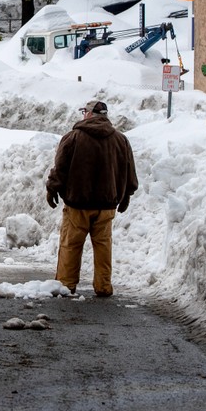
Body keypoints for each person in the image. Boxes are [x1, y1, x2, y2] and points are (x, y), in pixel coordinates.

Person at [46, 99, 138, 297]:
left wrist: (52, 189)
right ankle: (103, 286)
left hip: (78, 203)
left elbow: (60, 167)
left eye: (84, 112)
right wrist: (127, 195)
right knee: (103, 245)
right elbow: (129, 169)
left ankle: (67, 284)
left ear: (88, 114)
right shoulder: (120, 140)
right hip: (106, 205)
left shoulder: (73, 137)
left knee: (71, 245)